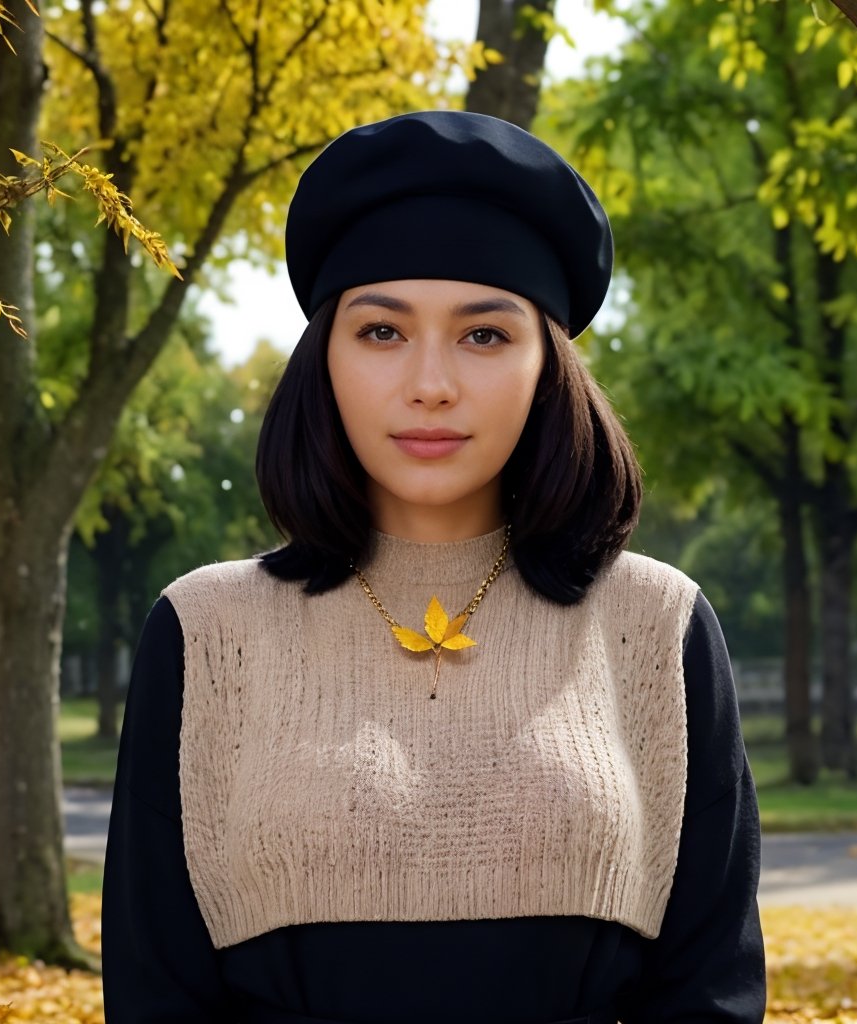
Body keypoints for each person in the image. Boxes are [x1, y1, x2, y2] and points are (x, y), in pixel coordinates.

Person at [102, 110, 766, 1024]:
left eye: (484, 335)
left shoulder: (656, 624)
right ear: (325, 358)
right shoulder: (207, 631)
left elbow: (712, 993)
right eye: (381, 332)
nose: (430, 382)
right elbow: (155, 995)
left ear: (548, 365)